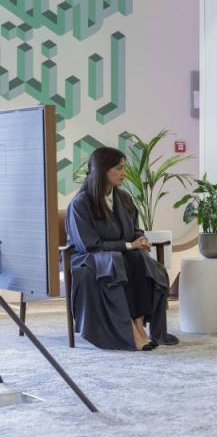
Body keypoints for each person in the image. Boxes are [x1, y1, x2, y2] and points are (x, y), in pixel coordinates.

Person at [67, 147, 178, 351]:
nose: (123, 173)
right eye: (118, 168)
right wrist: (129, 245)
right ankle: (128, 331)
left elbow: (135, 230)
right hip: (89, 257)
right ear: (103, 170)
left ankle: (138, 325)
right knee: (117, 262)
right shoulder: (80, 204)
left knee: (140, 260)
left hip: (121, 254)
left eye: (123, 168)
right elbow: (89, 244)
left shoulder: (125, 198)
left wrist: (141, 238)